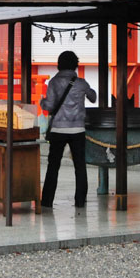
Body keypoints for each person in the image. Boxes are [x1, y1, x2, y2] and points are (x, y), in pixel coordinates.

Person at [40, 50, 97, 209]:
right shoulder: (80, 83)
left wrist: (42, 102)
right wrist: (87, 90)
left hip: (58, 129)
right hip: (77, 129)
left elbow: (50, 106)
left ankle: (47, 201)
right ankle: (80, 201)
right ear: (75, 65)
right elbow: (93, 97)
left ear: (59, 64)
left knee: (53, 166)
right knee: (80, 166)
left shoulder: (53, 83)